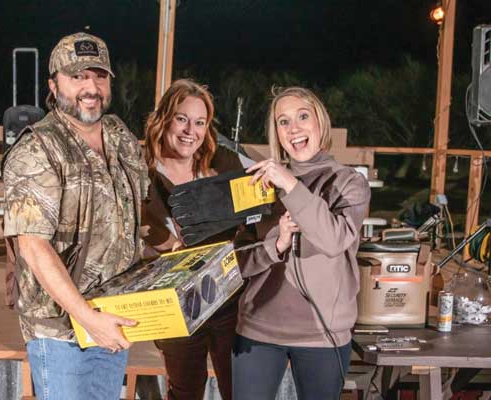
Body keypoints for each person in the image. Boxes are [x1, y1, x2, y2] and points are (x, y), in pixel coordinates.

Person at [2, 32, 149, 400]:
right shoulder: (38, 149)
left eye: (99, 76)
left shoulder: (119, 136)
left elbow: (138, 212)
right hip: (61, 331)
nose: (91, 87)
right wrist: (88, 319)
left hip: (112, 312)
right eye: (77, 76)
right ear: (54, 86)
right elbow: (33, 247)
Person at [232, 87, 371, 400]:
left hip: (322, 336)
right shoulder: (260, 185)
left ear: (320, 122)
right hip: (259, 330)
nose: (293, 128)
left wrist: (290, 184)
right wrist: (276, 245)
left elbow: (334, 240)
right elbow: (238, 261)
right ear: (277, 133)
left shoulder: (349, 183)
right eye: (283, 121)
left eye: (303, 116)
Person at [141, 79, 243, 400]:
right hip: (176, 301)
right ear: (164, 119)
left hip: (227, 296)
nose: (190, 131)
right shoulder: (141, 169)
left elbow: (250, 217)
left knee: (238, 388)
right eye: (182, 119)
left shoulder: (224, 163)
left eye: (200, 122)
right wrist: (173, 246)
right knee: (185, 390)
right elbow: (135, 225)